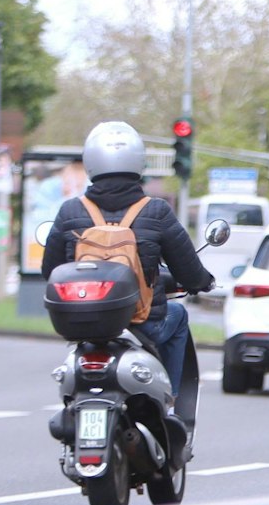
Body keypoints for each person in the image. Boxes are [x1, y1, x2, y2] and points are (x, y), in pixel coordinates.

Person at [42, 121, 216, 400]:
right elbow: (188, 271)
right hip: (143, 323)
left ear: (90, 162)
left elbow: (50, 271)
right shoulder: (156, 211)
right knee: (179, 316)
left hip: (83, 326)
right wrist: (203, 282)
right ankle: (168, 399)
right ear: (139, 161)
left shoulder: (70, 211)